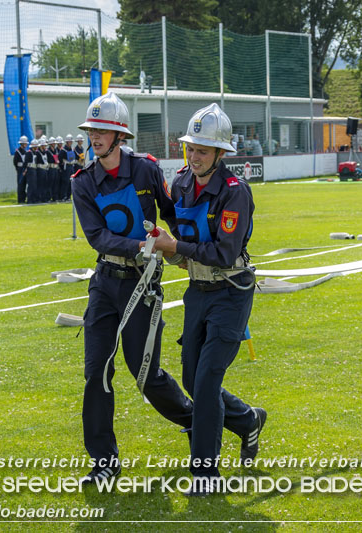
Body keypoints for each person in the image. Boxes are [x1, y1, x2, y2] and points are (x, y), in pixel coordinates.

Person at [71, 92, 195, 484]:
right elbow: (98, 237)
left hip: (143, 285)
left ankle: (198, 422)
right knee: (97, 372)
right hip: (105, 283)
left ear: (119, 135)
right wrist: (144, 247)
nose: (95, 137)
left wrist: (188, 249)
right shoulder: (83, 182)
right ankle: (104, 463)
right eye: (92, 130)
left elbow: (173, 211)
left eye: (103, 130)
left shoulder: (145, 170)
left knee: (146, 374)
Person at [151, 103, 266, 496]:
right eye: (190, 148)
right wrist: (167, 248)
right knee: (190, 377)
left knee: (205, 380)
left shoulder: (236, 193)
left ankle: (205, 474)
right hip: (197, 292)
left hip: (231, 294)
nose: (194, 156)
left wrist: (176, 245)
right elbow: (181, 236)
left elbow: (222, 252)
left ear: (220, 154)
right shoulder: (180, 183)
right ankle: (248, 420)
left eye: (202, 149)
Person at [13, 135, 29, 204]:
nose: (25, 145)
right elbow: (15, 162)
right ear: (21, 144)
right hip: (20, 169)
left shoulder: (26, 152)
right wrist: (18, 169)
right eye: (24, 143)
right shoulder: (17, 152)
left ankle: (24, 198)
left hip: (25, 169)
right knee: (20, 184)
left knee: (25, 184)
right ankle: (20, 199)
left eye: (26, 143)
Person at [23, 139, 39, 204]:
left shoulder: (36, 153)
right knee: (31, 185)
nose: (36, 148)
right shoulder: (29, 153)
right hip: (30, 170)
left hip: (34, 169)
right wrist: (25, 170)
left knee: (34, 185)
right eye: (35, 147)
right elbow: (25, 163)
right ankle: (29, 199)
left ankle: (34, 199)